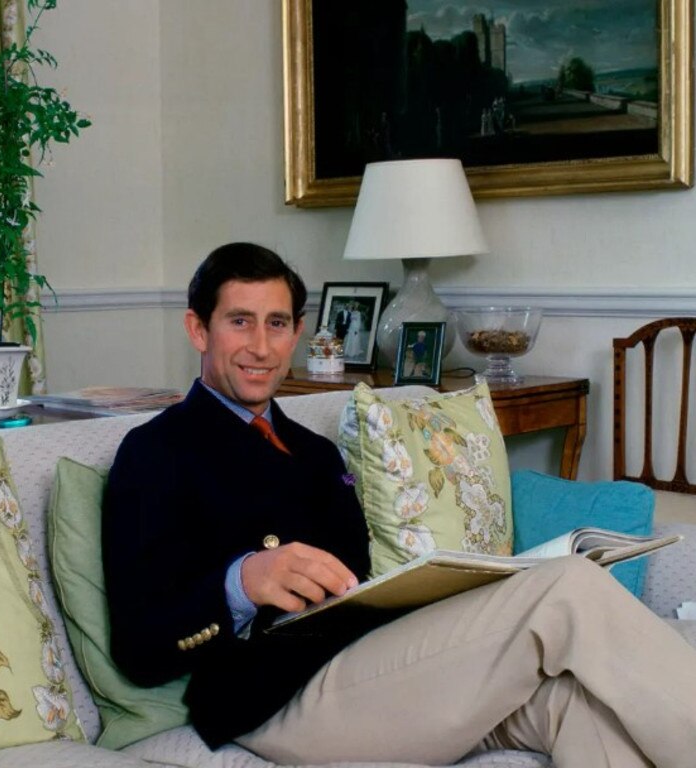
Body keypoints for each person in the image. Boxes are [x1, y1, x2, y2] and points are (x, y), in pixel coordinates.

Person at [102, 242, 696, 767]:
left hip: (385, 667)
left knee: (575, 705)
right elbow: (138, 648)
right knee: (567, 587)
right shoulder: (155, 452)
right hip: (275, 698)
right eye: (240, 322)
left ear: (298, 332)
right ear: (198, 330)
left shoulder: (314, 451)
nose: (261, 346)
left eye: (277, 323)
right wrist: (240, 583)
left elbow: (362, 582)